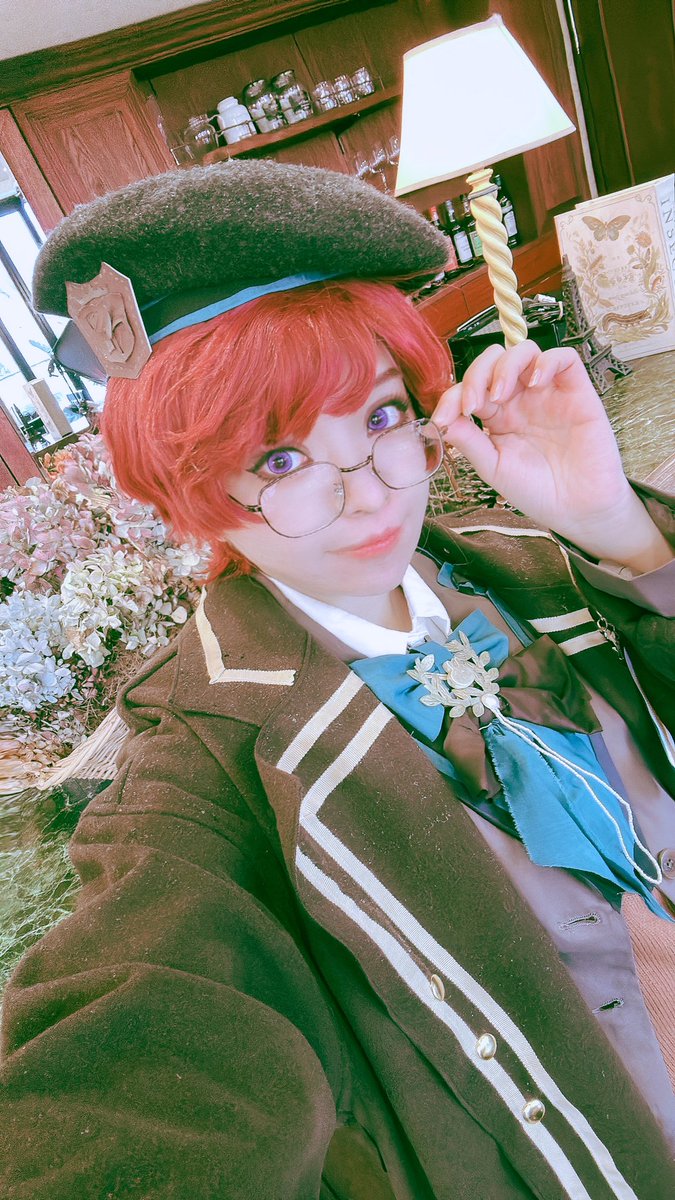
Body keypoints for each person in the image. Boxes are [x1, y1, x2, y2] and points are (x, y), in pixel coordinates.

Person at [0, 160, 673, 1200]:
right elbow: (142, 1052)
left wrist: (619, 530)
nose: (366, 496)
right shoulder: (201, 763)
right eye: (278, 460)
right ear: (188, 491)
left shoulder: (536, 563)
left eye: (381, 417)